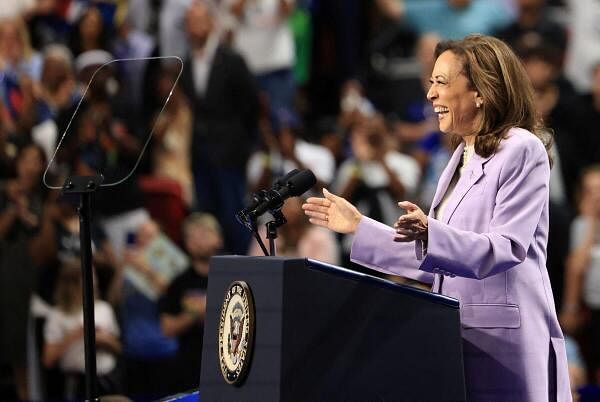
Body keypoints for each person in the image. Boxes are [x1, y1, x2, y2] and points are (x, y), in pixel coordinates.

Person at [302, 34, 571, 401]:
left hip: (504, 340)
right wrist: (358, 227)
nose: (430, 94)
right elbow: (438, 261)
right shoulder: (461, 157)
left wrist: (431, 232)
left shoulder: (522, 148)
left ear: (481, 91)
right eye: (431, 81)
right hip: (456, 333)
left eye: (441, 82)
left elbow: (506, 248)